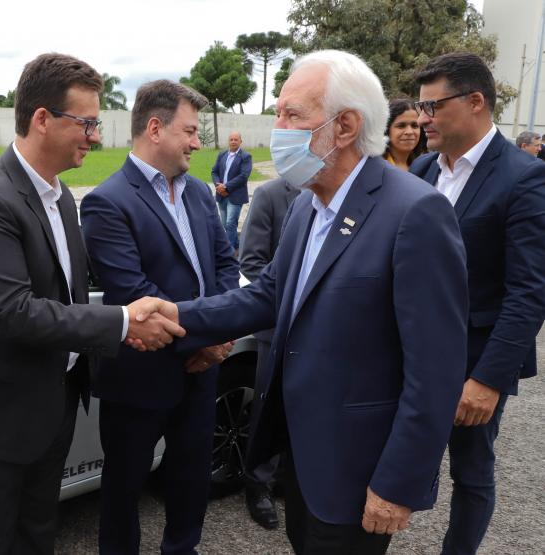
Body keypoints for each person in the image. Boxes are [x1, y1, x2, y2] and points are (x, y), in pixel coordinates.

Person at [133, 50, 468, 554]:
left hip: (359, 473)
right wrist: (178, 314)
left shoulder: (415, 213)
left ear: (347, 126)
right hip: (302, 461)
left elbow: (436, 371)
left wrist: (398, 484)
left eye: (293, 114)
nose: (278, 127)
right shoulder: (308, 206)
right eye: (279, 113)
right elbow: (269, 295)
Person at [0, 53, 183, 555]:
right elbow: (11, 311)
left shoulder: (60, 198)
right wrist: (125, 322)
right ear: (42, 118)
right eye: (86, 122)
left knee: (38, 537)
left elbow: (67, 293)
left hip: (48, 407)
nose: (96, 136)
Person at [81, 80, 238, 555]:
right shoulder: (107, 201)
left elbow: (226, 266)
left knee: (191, 481)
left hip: (201, 373)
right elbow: (135, 294)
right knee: (124, 488)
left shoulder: (196, 192)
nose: (197, 142)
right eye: (190, 131)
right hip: (141, 375)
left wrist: (222, 336)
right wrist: (206, 339)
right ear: (155, 128)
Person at [409, 52, 545, 555]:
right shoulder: (423, 169)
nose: (422, 119)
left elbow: (529, 292)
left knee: (470, 472)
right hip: (410, 351)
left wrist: (487, 380)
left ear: (475, 102)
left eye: (431, 107)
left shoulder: (523, 177)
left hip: (473, 360)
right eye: (420, 109)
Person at [235, 176, 300, 530]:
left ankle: (286, 479)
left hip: (317, 329)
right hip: (276, 325)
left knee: (302, 405)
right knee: (268, 407)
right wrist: (293, 304)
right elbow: (252, 263)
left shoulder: (336, 193)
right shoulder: (270, 195)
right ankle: (257, 483)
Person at [210, 130, 253, 256]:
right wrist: (218, 185)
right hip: (221, 195)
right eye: (231, 139)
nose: (233, 142)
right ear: (228, 141)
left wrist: (226, 187)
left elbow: (244, 176)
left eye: (236, 139)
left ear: (240, 141)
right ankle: (237, 246)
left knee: (230, 223)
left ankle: (228, 252)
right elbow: (214, 171)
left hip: (235, 196)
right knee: (225, 224)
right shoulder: (222, 154)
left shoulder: (246, 156)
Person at [383, 99, 426, 170]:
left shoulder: (426, 167)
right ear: (387, 130)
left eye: (414, 126)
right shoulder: (376, 166)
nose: (409, 132)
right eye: (401, 126)